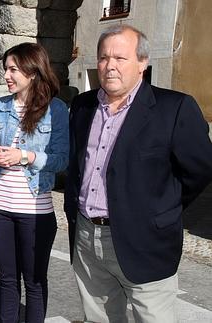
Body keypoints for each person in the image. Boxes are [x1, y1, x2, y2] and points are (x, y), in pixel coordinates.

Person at [64, 24, 212, 323]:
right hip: (86, 237)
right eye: (104, 57)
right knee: (98, 318)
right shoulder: (82, 105)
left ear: (142, 63)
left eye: (120, 58)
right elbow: (78, 166)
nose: (109, 66)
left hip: (146, 244)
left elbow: (200, 170)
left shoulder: (174, 108)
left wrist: (161, 210)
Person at [0, 43, 69, 323]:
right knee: (6, 280)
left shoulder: (56, 109)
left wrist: (25, 156)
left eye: (13, 69)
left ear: (33, 72)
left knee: (34, 282)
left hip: (35, 211)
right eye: (6, 68)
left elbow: (62, 160)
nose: (6, 74)